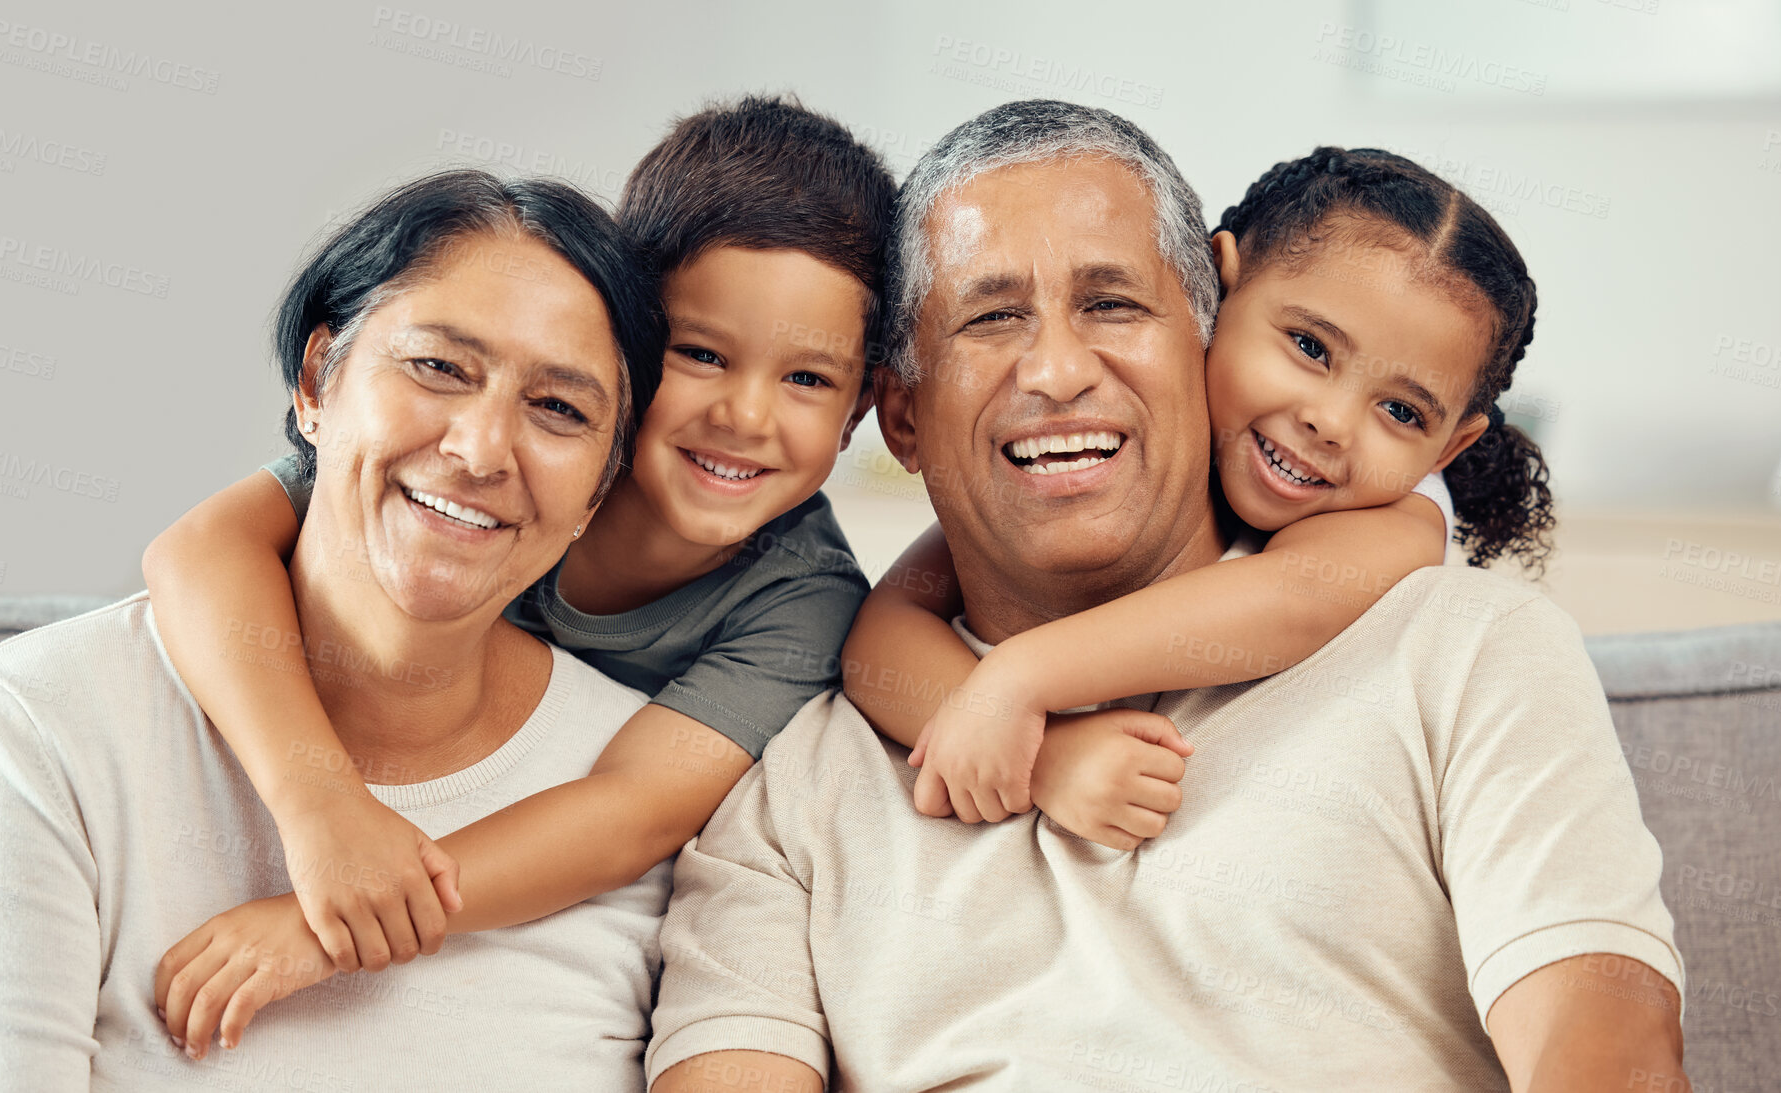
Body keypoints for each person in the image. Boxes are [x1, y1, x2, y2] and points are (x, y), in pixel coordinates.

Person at [647, 101, 1687, 1091]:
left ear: (1203, 332)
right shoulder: (789, 788)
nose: (1056, 370)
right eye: (993, 315)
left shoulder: (1463, 645)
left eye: (1110, 303)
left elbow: (1603, 1049)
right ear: (902, 418)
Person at [138, 96, 894, 1053]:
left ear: (862, 407)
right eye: (700, 354)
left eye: (807, 380)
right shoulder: (473, 456)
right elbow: (199, 548)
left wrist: (332, 921)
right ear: (617, 343)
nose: (746, 416)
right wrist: (321, 802)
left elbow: (624, 812)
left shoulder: (804, 597)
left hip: (500, 868)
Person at [0, 170, 679, 1089]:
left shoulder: (645, 781)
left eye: (559, 409)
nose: (478, 449)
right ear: (316, 383)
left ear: (600, 487)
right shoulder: (42, 722)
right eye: (438, 366)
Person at [843, 144, 1556, 842]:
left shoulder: (1399, 517)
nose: (1329, 422)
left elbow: (1291, 598)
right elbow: (882, 633)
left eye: (1401, 412)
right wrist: (1048, 753)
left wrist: (1022, 678)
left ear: (1450, 443)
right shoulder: (1140, 455)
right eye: (1309, 347)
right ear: (1217, 290)